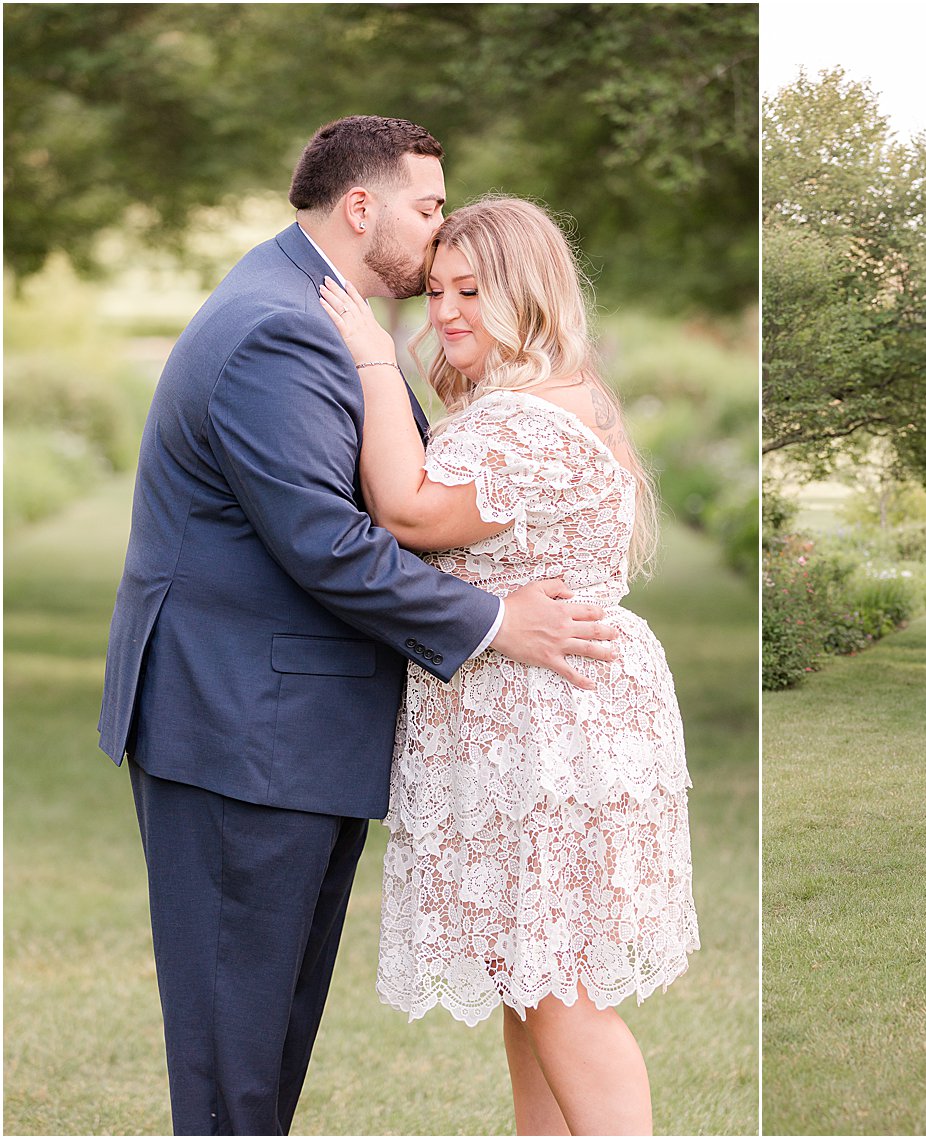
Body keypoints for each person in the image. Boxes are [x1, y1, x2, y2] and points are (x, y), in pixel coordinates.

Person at [97, 117, 617, 1136]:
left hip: (282, 727)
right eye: (427, 210)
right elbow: (327, 541)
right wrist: (492, 620)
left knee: (263, 1040)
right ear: (361, 207)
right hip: (242, 728)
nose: (436, 239)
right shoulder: (278, 326)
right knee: (233, 1058)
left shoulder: (304, 310)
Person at [318, 195, 698, 1136]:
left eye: (471, 292)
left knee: (558, 986)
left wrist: (371, 355)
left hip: (548, 720)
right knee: (530, 982)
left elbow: (407, 512)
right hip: (535, 710)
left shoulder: (526, 421)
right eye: (438, 289)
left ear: (525, 295)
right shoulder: (537, 398)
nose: (447, 312)